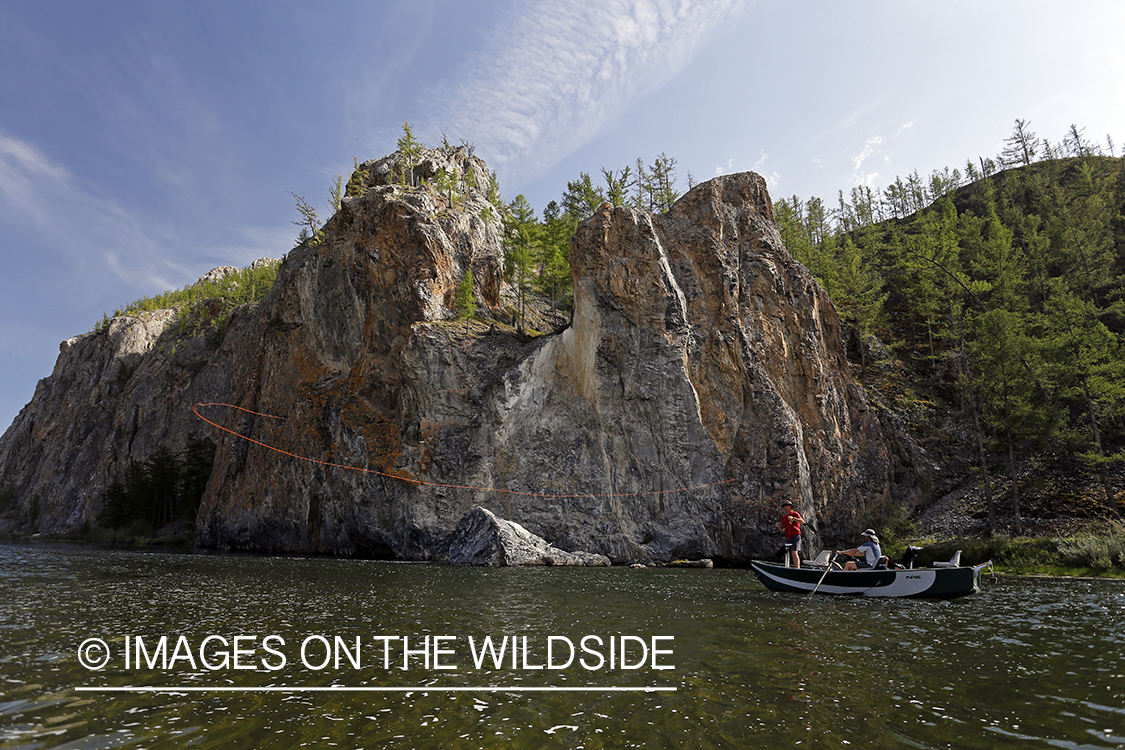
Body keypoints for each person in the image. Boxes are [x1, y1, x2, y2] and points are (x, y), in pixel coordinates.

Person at [775, 500, 805, 568]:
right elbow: (782, 529)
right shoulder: (784, 517)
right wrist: (779, 526)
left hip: (796, 536)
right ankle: (787, 567)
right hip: (788, 537)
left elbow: (802, 521)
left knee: (794, 553)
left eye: (786, 506)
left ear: (790, 506)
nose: (784, 507)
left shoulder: (795, 514)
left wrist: (793, 519)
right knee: (787, 553)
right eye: (783, 506)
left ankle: (797, 569)